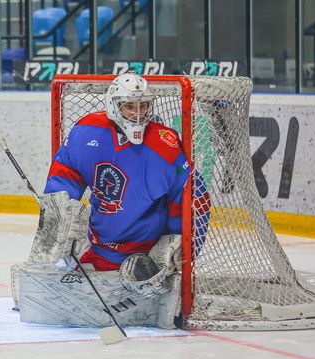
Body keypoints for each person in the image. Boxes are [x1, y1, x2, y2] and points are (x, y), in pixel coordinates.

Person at [13, 72, 209, 329]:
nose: (138, 114)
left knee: (165, 306)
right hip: (100, 247)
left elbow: (194, 196)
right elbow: (66, 172)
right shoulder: (87, 131)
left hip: (147, 256)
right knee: (49, 295)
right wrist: (61, 215)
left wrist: (177, 241)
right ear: (113, 106)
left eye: (144, 105)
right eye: (130, 106)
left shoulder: (165, 144)